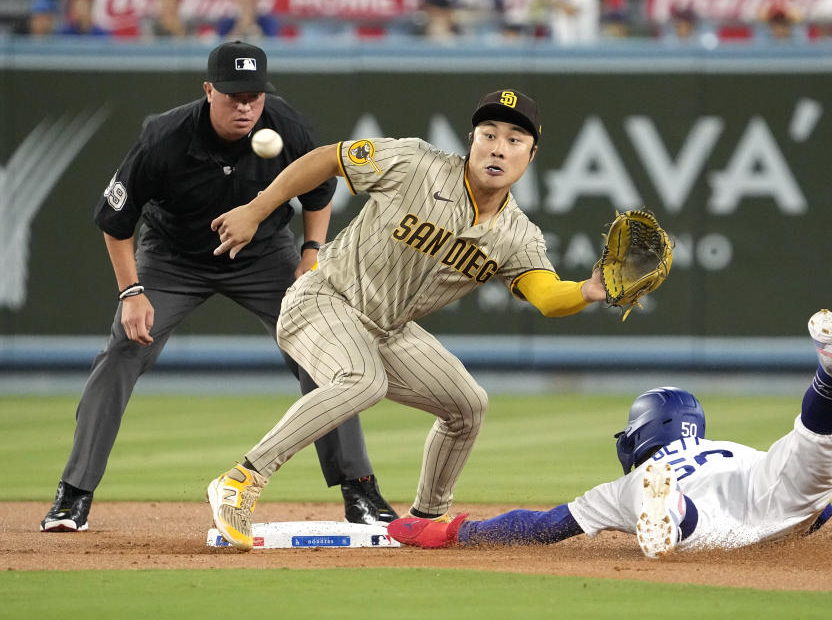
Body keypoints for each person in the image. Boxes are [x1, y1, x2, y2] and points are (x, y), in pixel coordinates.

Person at [206, 88, 612, 550]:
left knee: (467, 406)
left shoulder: (518, 235)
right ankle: (242, 479)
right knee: (363, 381)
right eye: (489, 134)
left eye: (515, 139)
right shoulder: (416, 162)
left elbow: (546, 295)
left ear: (531, 154)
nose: (499, 147)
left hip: (389, 329)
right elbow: (327, 159)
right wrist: (257, 210)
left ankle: (427, 518)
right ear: (472, 139)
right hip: (324, 298)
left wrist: (587, 291)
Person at [42, 41, 394, 533]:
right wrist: (131, 293)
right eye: (233, 95)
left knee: (326, 356)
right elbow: (115, 220)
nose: (246, 105)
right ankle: (73, 495)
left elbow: (319, 190)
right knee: (123, 351)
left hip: (265, 255)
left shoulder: (286, 125)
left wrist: (311, 253)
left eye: (254, 94)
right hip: (174, 259)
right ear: (208, 90)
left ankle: (360, 490)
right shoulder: (163, 137)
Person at [386, 309, 832, 557]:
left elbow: (542, 526)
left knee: (661, 505)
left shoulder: (626, 480)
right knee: (812, 449)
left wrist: (455, 531)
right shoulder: (728, 448)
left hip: (712, 523)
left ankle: (673, 513)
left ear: (640, 433)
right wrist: (804, 514)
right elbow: (826, 510)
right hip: (775, 495)